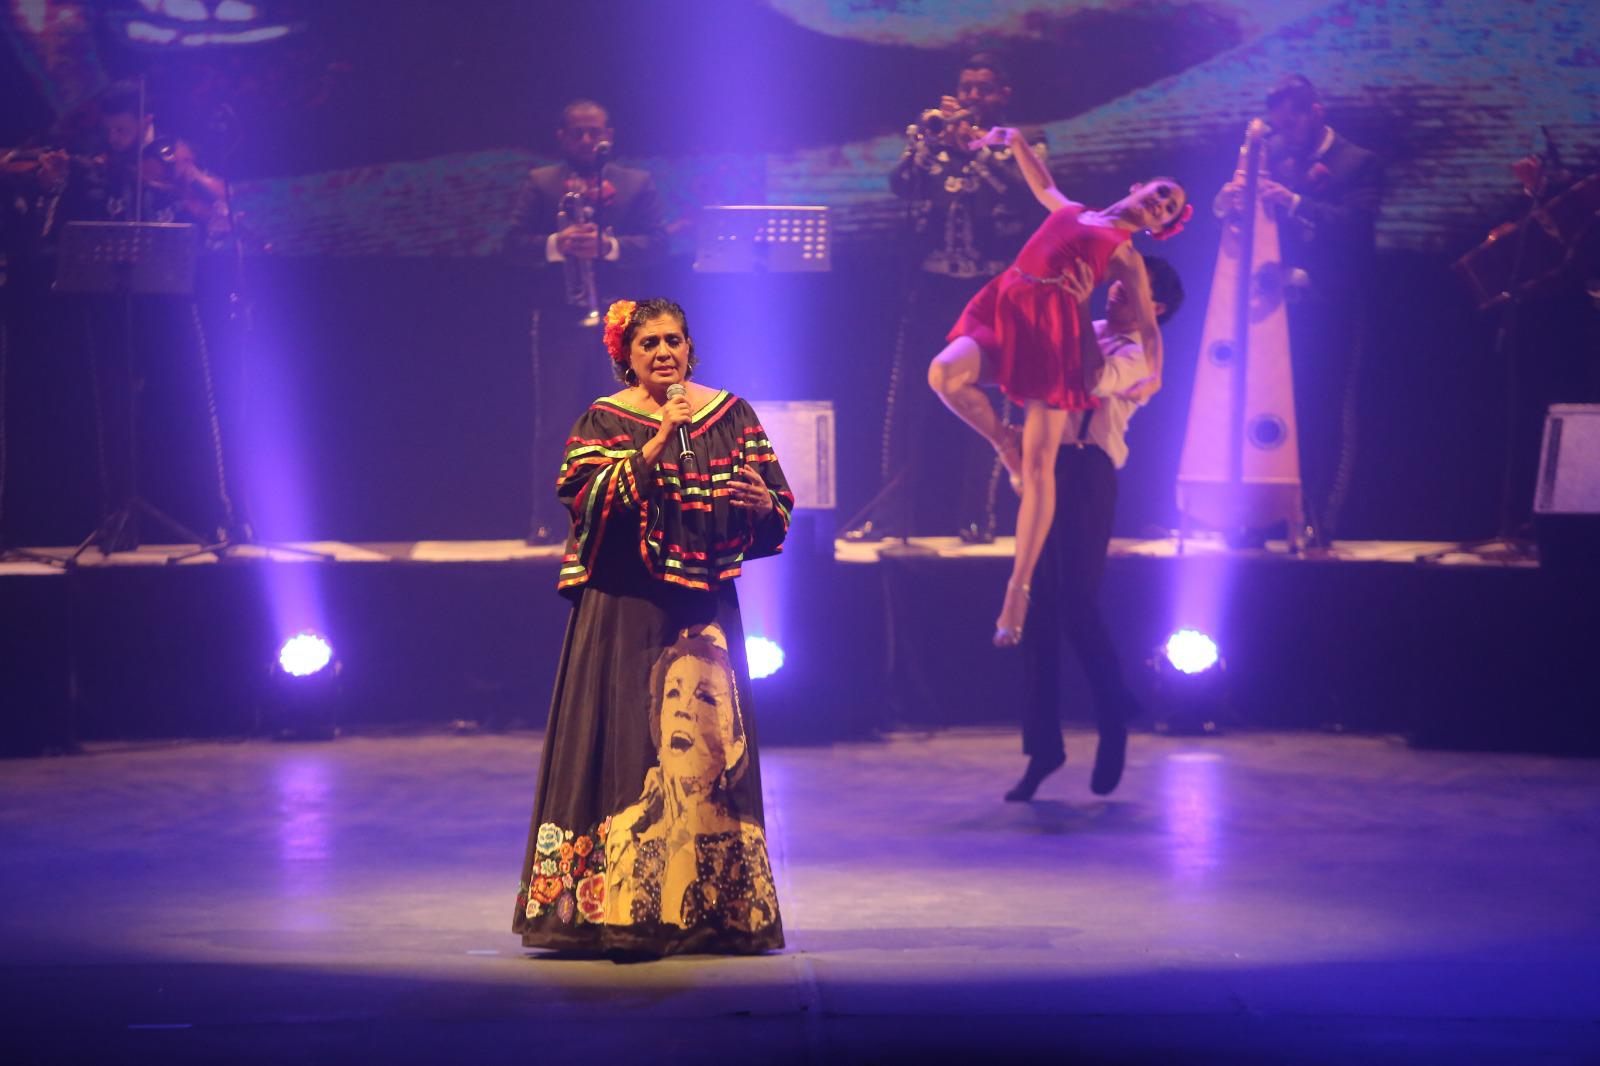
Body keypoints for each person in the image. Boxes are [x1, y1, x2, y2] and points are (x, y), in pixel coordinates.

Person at [513, 297, 790, 957]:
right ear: (626, 358)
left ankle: (713, 908)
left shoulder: (731, 414)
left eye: (674, 341)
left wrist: (764, 503)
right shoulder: (605, 420)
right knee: (630, 741)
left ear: (691, 347)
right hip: (624, 604)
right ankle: (620, 911)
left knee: (709, 752)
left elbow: (776, 503)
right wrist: (656, 444)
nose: (665, 353)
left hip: (703, 606)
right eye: (650, 345)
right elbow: (581, 502)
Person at [928, 124, 1190, 647]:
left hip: (1052, 332)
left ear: (1158, 227)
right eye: (1161, 193)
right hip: (1006, 304)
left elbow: (1150, 328)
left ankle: (1017, 589)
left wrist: (1155, 376)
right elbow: (1045, 188)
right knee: (943, 374)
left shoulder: (1126, 256)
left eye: (1168, 208)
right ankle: (1004, 441)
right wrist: (1018, 142)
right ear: (1138, 185)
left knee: (1041, 469)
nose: (1160, 204)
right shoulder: (1074, 212)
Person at [1009, 255, 1186, 802]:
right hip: (1047, 465)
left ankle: (1113, 711)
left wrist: (1078, 307)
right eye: (1118, 282)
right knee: (1036, 608)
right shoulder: (1087, 329)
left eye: (1133, 289)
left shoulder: (1140, 356)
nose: (1116, 291)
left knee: (1078, 601)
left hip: (1088, 471)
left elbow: (1090, 377)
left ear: (1155, 308)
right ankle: (1044, 748)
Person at [859, 52, 1051, 541]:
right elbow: (901, 185)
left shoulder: (1020, 143)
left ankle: (977, 517)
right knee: (908, 405)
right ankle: (892, 515)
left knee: (986, 405)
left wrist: (978, 149)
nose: (971, 98)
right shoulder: (937, 143)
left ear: (1002, 95)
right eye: (966, 88)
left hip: (989, 293)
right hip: (931, 287)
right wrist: (926, 145)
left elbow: (1024, 193)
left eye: (983, 89)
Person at [1213, 74, 1381, 545]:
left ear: (1316, 113)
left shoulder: (1358, 162)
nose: (1288, 135)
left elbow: (1355, 226)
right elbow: (1249, 219)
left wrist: (1296, 201)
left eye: (1294, 124)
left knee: (1323, 412)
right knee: (1263, 411)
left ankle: (1317, 518)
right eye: (1280, 126)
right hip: (1272, 310)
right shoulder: (1276, 157)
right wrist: (1224, 203)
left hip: (1331, 309)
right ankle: (1259, 517)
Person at [506, 99, 669, 542]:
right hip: (560, 316)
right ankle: (547, 520)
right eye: (576, 132)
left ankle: (627, 517)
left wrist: (608, 247)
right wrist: (558, 245)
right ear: (561, 137)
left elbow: (658, 244)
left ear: (609, 135)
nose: (586, 140)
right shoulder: (540, 183)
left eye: (593, 132)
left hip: (621, 322)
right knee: (556, 422)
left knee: (625, 419)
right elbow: (512, 244)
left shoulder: (636, 183)